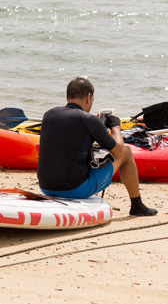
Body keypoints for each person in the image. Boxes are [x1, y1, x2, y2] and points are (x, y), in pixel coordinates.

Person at [37, 77, 157, 215]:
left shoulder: (49, 114)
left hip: (46, 187)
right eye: (92, 100)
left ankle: (137, 206)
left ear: (68, 96)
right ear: (88, 97)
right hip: (74, 189)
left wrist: (96, 125)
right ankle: (137, 206)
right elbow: (118, 151)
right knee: (126, 152)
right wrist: (115, 126)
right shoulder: (89, 120)